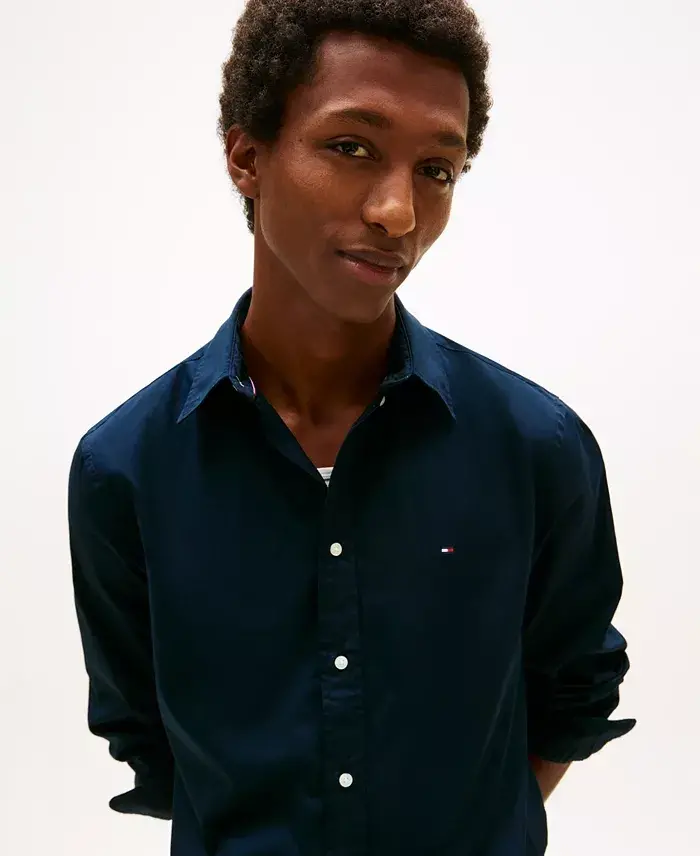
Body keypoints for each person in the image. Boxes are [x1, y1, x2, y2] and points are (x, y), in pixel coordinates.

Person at [67, 1, 636, 854]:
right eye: (351, 147)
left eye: (437, 168)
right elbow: (146, 739)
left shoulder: (536, 447)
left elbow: (575, 694)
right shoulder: (127, 467)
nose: (399, 212)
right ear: (247, 156)